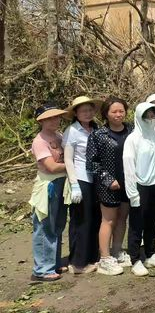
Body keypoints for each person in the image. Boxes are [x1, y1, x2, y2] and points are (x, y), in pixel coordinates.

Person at [86, 97, 132, 275]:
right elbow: (92, 163)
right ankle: (105, 258)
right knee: (109, 220)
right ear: (106, 114)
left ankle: (117, 251)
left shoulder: (131, 131)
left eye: (121, 111)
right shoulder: (98, 135)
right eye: (114, 111)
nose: (118, 114)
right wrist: (107, 179)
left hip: (128, 182)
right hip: (108, 185)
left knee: (122, 218)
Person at [122, 102, 155, 277]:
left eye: (152, 114)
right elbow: (129, 165)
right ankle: (135, 259)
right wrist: (132, 192)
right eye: (146, 114)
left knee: (153, 222)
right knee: (136, 224)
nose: (150, 117)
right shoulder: (132, 139)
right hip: (140, 186)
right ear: (139, 117)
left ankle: (150, 253)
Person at [29, 104, 69, 282]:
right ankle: (42, 269)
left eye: (57, 117)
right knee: (45, 226)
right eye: (50, 118)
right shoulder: (40, 141)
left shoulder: (59, 136)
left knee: (58, 224)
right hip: (48, 184)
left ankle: (53, 262)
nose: (55, 120)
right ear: (41, 120)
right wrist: (73, 165)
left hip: (62, 183)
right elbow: (51, 167)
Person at [63, 96, 101, 274]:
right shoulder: (72, 131)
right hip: (80, 178)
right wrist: (74, 184)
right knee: (81, 221)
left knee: (95, 219)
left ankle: (93, 257)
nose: (87, 113)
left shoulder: (96, 129)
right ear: (76, 113)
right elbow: (68, 159)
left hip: (96, 179)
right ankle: (78, 262)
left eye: (90, 110)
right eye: (83, 110)